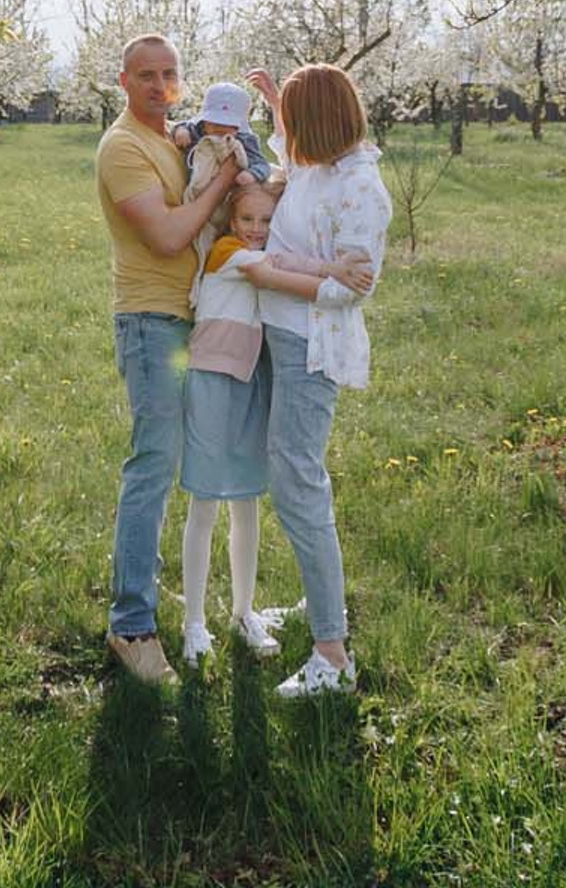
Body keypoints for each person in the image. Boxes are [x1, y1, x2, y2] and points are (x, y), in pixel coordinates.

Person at [95, 31, 243, 685]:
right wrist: (227, 183)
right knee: (153, 466)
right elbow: (166, 235)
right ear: (123, 81)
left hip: (194, 317)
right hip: (152, 323)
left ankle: (202, 607)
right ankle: (132, 626)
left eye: (169, 74)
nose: (159, 86)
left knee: (193, 460)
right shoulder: (123, 146)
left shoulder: (172, 138)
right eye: (146, 75)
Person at [240, 62, 390, 698]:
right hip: (280, 336)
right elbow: (295, 164)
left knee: (298, 480)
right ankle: (319, 603)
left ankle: (333, 653)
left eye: (295, 123)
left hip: (311, 346)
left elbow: (348, 290)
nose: (287, 136)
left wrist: (269, 273)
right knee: (292, 475)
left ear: (319, 125)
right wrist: (278, 103)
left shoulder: (360, 188)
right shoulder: (320, 166)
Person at [178, 177, 371, 664]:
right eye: (247, 219)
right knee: (205, 500)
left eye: (266, 221)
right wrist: (334, 273)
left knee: (246, 500)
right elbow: (278, 266)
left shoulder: (251, 247)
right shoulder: (227, 252)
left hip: (251, 376)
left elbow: (280, 256)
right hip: (212, 377)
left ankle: (244, 612)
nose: (257, 229)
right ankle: (194, 622)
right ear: (230, 220)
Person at [170, 80, 274, 184]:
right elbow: (183, 125)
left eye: (229, 125)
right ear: (204, 121)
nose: (221, 128)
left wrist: (252, 174)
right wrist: (180, 131)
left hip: (229, 188)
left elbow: (263, 165)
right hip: (196, 184)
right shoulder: (196, 131)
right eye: (215, 123)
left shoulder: (244, 140)